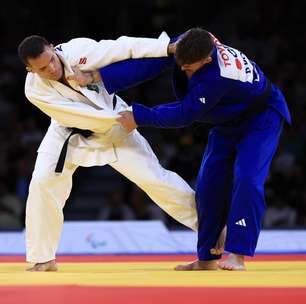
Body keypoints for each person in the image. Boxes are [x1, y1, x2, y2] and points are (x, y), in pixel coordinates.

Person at [92, 28, 291, 270]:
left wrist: (139, 115)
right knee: (208, 184)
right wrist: (102, 76)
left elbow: (185, 113)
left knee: (247, 177)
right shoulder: (187, 43)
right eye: (181, 65)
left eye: (190, 67)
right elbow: (151, 62)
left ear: (207, 59)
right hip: (228, 119)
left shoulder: (219, 76)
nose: (184, 71)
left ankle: (237, 254)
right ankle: (207, 258)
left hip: (262, 117)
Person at [17, 33, 199, 271]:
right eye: (41, 68)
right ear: (30, 70)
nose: (51, 69)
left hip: (117, 124)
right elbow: (80, 116)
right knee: (42, 182)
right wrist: (131, 118)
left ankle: (213, 228)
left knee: (156, 180)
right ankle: (43, 258)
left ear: (53, 47)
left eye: (51, 60)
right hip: (68, 133)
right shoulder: (34, 90)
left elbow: (123, 47)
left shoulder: (78, 51)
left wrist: (166, 47)